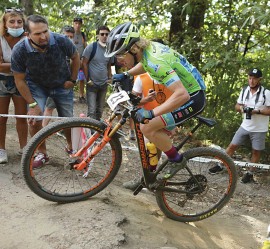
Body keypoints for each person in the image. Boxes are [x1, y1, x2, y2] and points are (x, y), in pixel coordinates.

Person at [105, 22, 206, 181]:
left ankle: (176, 160)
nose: (118, 60)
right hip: (185, 93)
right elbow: (145, 65)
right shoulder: (146, 51)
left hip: (193, 98)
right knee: (149, 128)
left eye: (120, 54)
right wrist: (127, 75)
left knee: (147, 127)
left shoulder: (156, 61)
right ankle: (151, 174)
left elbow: (182, 94)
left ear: (133, 49)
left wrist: (151, 113)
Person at [11, 14, 80, 168]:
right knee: (34, 120)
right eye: (37, 33)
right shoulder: (19, 50)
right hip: (37, 86)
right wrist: (32, 104)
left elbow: (76, 57)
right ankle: (42, 153)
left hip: (62, 85)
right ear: (28, 35)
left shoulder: (61, 40)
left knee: (68, 121)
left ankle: (72, 149)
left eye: (45, 31)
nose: (43, 36)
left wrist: (73, 80)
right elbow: (19, 80)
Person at [208, 68, 270, 183]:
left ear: (259, 79)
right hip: (245, 125)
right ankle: (220, 165)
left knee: (256, 151)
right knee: (232, 146)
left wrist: (257, 111)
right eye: (250, 78)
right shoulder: (245, 90)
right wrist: (242, 108)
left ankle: (250, 173)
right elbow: (237, 105)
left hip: (259, 129)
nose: (251, 81)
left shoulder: (266, 93)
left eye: (254, 78)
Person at [123, 72, 174, 190]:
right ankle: (146, 179)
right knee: (149, 148)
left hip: (168, 120)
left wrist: (175, 125)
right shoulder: (142, 78)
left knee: (158, 148)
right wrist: (146, 99)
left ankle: (152, 178)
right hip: (148, 120)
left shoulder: (172, 77)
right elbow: (133, 102)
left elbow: (180, 100)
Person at [0, 8, 28, 163]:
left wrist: (8, 65)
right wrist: (19, 65)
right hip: (2, 81)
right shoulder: (0, 39)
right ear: (5, 23)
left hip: (21, 82)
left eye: (19, 21)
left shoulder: (27, 39)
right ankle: (1, 150)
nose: (16, 25)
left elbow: (31, 63)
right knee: (1, 118)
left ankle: (24, 148)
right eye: (12, 21)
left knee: (21, 117)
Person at [42, 25, 75, 127]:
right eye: (66, 36)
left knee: (66, 111)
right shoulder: (53, 48)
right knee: (49, 108)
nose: (68, 39)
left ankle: (65, 129)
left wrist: (72, 80)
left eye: (71, 37)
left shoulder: (72, 50)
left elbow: (75, 65)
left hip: (67, 85)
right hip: (55, 84)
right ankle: (42, 131)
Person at [82, 25, 113, 121]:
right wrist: (87, 79)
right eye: (102, 34)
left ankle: (96, 132)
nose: (104, 36)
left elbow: (108, 65)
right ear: (98, 36)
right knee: (91, 110)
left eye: (107, 34)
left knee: (100, 110)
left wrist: (109, 77)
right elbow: (84, 63)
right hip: (92, 84)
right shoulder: (92, 47)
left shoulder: (109, 49)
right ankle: (90, 133)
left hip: (104, 84)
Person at [73, 17, 87, 103]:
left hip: (81, 60)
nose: (77, 25)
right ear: (73, 24)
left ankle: (81, 96)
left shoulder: (82, 35)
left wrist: (84, 58)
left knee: (82, 79)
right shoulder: (70, 33)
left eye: (79, 23)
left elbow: (85, 46)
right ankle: (69, 95)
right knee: (71, 77)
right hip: (72, 59)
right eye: (76, 23)